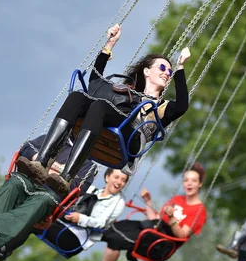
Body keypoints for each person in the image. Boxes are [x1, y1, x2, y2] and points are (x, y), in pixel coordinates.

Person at [17, 24, 191, 197]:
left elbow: (182, 106)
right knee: (78, 97)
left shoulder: (161, 106)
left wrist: (180, 68)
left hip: (132, 138)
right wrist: (109, 45)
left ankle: (66, 176)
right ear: (147, 71)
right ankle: (41, 162)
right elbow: (95, 82)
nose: (167, 72)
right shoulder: (127, 93)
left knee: (100, 106)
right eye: (162, 68)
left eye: (169, 70)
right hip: (108, 121)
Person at [0, 137, 98, 261]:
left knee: (38, 205)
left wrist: (46, 167)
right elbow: (26, 149)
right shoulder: (55, 138)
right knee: (13, 184)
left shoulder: (88, 165)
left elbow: (73, 188)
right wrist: (42, 161)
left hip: (48, 195)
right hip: (27, 182)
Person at [76, 162, 208, 261]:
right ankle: (79, 231)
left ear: (200, 184)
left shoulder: (199, 210)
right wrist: (147, 201)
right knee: (114, 228)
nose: (189, 184)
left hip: (162, 242)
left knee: (116, 238)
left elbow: (182, 234)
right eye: (186, 180)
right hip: (153, 227)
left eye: (194, 181)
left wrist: (172, 217)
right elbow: (155, 218)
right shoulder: (177, 199)